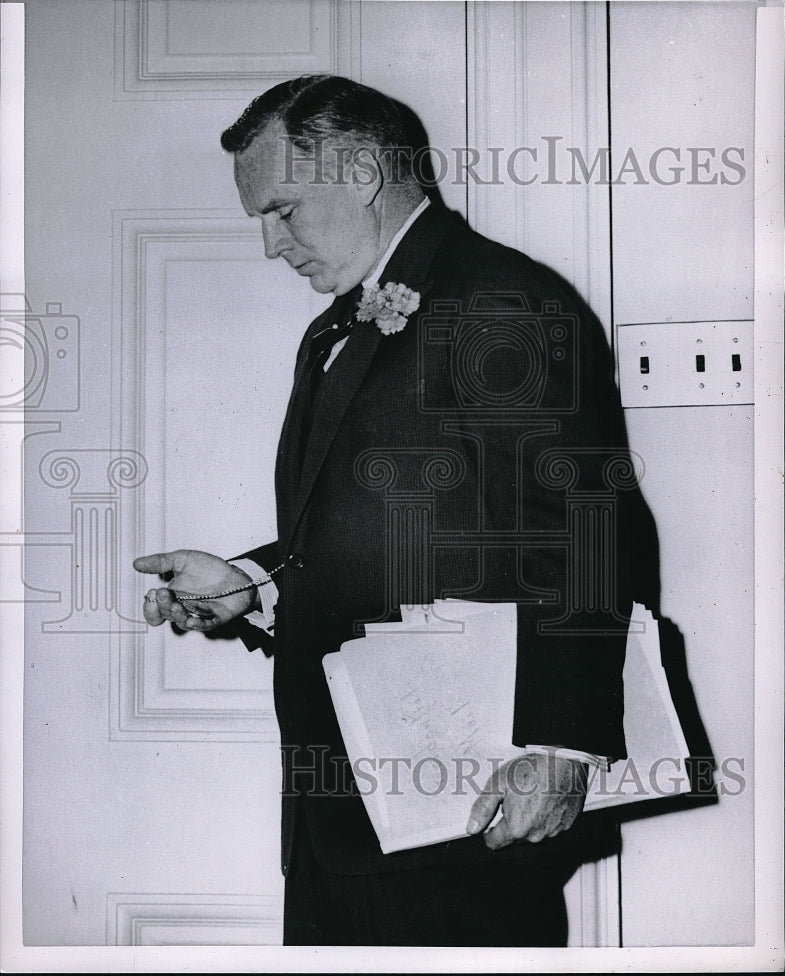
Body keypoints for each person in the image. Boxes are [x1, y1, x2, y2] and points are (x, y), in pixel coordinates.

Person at [134, 75, 651, 947]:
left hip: (467, 807)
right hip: (349, 813)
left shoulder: (498, 301)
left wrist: (560, 747)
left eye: (284, 209)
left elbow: (587, 526)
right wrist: (252, 582)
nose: (270, 243)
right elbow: (390, 521)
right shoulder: (344, 323)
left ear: (365, 171)